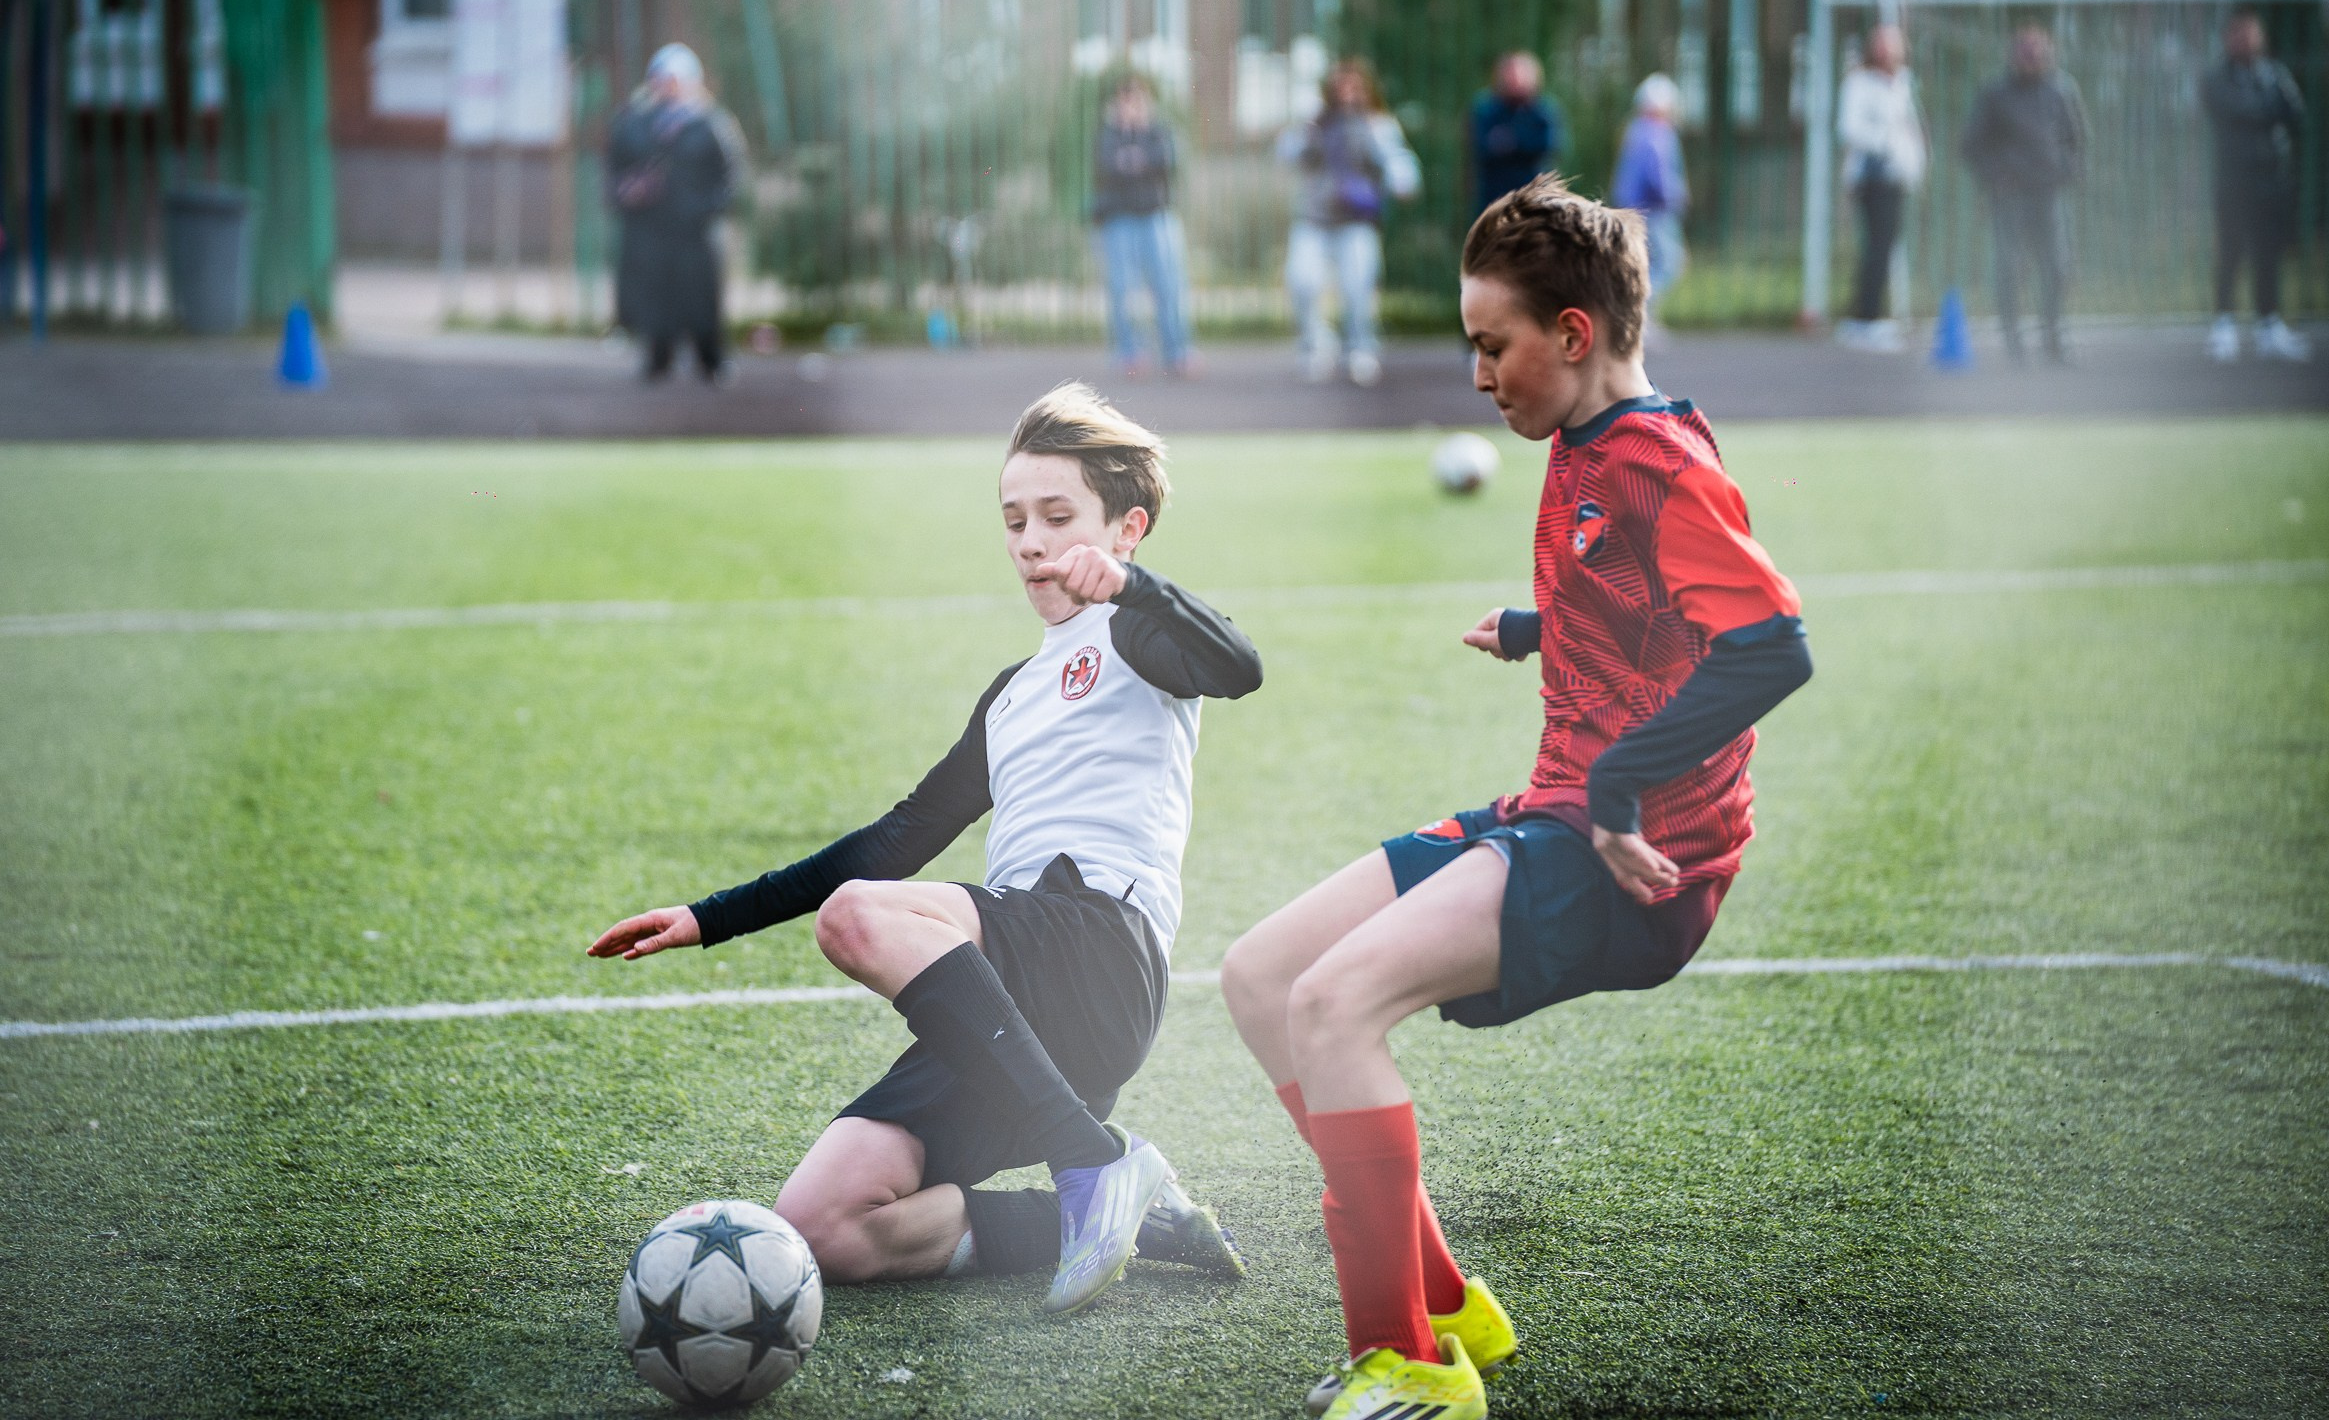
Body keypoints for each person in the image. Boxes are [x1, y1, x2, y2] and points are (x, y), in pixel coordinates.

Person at [1220, 174, 1811, 1420]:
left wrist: (1618, 784)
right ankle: (1443, 1303)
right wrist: (1549, 624)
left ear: (1576, 335)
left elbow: (1770, 646)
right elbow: (1655, 603)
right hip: (1558, 814)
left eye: (1495, 346)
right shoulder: (1589, 442)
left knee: (1334, 1007)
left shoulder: (1656, 461)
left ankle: (1410, 1371)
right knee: (1263, 976)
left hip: (1635, 862)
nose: (1480, 375)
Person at [588, 384, 1260, 1313]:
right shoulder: (1013, 693)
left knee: (857, 917)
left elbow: (1240, 667)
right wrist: (710, 917)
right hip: (1005, 1012)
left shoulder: (1137, 636)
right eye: (1014, 518)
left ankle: (1092, 1161)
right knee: (825, 1226)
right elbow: (896, 837)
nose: (1029, 540)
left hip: (1096, 953)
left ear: (1127, 527)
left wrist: (1137, 589)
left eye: (1057, 517)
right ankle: (1118, 1210)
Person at [607, 44, 749, 382]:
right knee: (655, 295)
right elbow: (615, 171)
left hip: (696, 230)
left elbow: (731, 178)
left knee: (701, 295)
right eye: (661, 79)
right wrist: (627, 192)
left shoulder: (712, 125)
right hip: (651, 228)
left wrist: (704, 208)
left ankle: (710, 359)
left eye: (675, 80)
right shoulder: (634, 125)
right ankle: (658, 359)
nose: (667, 87)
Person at [1279, 58, 1421, 388]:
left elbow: (1399, 162)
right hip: (1314, 219)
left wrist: (1402, 180)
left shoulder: (1378, 123)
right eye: (1339, 86)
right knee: (1302, 282)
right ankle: (1315, 345)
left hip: (1356, 220)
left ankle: (1360, 347)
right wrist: (1307, 134)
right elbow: (1286, 153)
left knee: (1358, 288)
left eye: (1353, 87)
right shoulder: (1315, 122)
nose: (1346, 94)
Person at [1959, 25, 2087, 364]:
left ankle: (2054, 336)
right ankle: (2013, 341)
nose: (2031, 56)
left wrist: (2067, 171)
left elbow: (2078, 139)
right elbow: (1971, 144)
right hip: (2010, 195)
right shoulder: (1995, 93)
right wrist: (1995, 177)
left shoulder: (2062, 89)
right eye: (2025, 50)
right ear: (2013, 54)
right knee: (2010, 269)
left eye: (2037, 50)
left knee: (2058, 267)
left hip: (2049, 194)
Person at [2201, 10, 2309, 363]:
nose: (2245, 40)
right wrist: (2267, 108)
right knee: (2230, 254)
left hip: (2271, 181)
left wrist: (2260, 109)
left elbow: (2295, 112)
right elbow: (2235, 110)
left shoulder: (2273, 73)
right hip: (2233, 181)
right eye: (2238, 34)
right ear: (2227, 38)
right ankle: (2224, 327)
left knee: (2268, 256)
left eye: (2251, 33)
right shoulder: (2216, 78)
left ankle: (2268, 325)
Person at [1092, 76, 1199, 378]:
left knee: (1169, 286)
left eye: (1136, 102)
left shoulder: (1159, 131)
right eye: (1125, 102)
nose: (1131, 109)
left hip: (1156, 216)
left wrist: (1133, 158)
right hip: (1120, 219)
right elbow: (1107, 166)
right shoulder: (1109, 134)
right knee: (1122, 289)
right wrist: (1134, 157)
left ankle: (1177, 352)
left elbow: (1166, 160)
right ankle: (1129, 353)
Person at [1835, 24, 1928, 353]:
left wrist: (1913, 162)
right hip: (1873, 177)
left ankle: (1869, 314)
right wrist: (1886, 144)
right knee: (1877, 248)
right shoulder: (1860, 83)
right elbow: (1850, 128)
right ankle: (1866, 319)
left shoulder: (1903, 83)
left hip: (1896, 177)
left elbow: (1910, 127)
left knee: (1884, 249)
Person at [1609, 74, 1689, 335]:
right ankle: (1638, 314)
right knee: (1669, 263)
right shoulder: (1657, 133)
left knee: (1641, 263)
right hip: (1654, 209)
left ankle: (1637, 316)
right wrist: (1675, 196)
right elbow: (1658, 175)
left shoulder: (1634, 130)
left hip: (1633, 207)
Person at [1469, 51, 1567, 218]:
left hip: (1536, 197)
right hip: (1494, 198)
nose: (1516, 80)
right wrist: (1524, 142)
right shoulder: (1486, 109)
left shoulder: (1544, 111)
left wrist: (1511, 142)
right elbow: (1481, 147)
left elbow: (1549, 145)